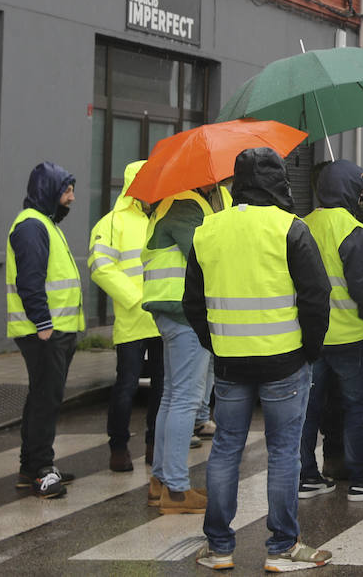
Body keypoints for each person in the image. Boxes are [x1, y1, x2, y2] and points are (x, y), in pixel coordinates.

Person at [184, 147, 333, 572]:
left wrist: (214, 342)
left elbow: (192, 302)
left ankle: (218, 548)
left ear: (236, 183)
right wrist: (311, 349)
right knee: (284, 452)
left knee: (225, 450)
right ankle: (282, 548)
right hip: (285, 360)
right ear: (278, 182)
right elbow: (316, 295)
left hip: (230, 361)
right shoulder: (290, 228)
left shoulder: (207, 230)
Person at [298, 160, 363, 502]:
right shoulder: (354, 231)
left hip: (312, 339)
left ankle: (306, 475)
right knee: (357, 410)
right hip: (352, 340)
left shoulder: (301, 226)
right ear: (353, 192)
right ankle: (360, 479)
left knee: (308, 410)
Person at [143, 180, 223, 514]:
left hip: (171, 311)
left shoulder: (172, 204)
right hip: (183, 312)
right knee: (186, 399)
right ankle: (176, 490)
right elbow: (202, 254)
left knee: (173, 397)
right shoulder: (184, 204)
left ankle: (161, 481)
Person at [7, 161, 84, 499]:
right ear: (50, 191)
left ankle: (31, 466)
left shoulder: (43, 224)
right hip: (45, 332)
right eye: (67, 191)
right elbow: (30, 280)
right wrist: (43, 324)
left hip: (54, 330)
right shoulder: (32, 227)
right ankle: (41, 470)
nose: (72, 198)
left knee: (43, 398)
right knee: (44, 400)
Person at [89, 159, 163, 473]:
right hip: (134, 319)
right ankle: (118, 447)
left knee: (161, 386)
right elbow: (100, 267)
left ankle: (153, 445)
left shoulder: (162, 218)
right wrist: (135, 300)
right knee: (127, 386)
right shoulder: (112, 223)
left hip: (161, 320)